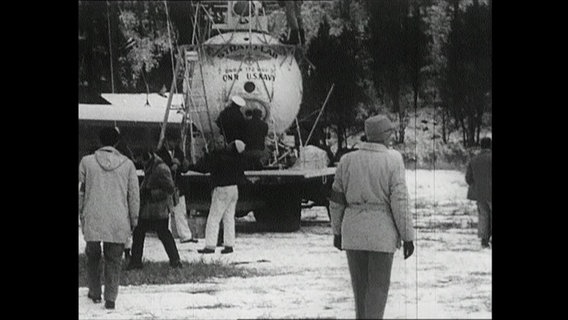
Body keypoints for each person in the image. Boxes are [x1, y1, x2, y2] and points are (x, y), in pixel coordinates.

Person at [329, 114, 415, 319]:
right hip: (381, 234)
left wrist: (337, 230)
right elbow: (399, 201)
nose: (391, 138)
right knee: (377, 290)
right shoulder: (393, 160)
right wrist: (407, 236)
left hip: (353, 231)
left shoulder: (347, 160)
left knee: (359, 290)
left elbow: (336, 201)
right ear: (383, 135)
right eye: (389, 133)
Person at [79, 127, 140, 310]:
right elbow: (133, 195)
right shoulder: (128, 164)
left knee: (93, 256)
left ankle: (95, 292)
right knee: (114, 259)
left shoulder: (86, 162)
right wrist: (134, 219)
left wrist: (81, 212)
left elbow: (80, 192)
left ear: (99, 141)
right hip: (118, 218)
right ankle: (111, 297)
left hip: (93, 217)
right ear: (116, 142)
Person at [188, 136, 247, 254]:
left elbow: (204, 168)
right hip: (234, 189)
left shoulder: (218, 156)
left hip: (222, 188)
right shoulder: (237, 158)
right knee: (229, 218)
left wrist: (190, 166)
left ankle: (210, 245)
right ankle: (229, 245)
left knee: (214, 217)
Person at [126, 150, 183, 270]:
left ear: (147, 156)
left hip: (158, 210)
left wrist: (151, 194)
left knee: (163, 234)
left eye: (140, 159)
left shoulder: (161, 168)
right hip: (149, 209)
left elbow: (170, 189)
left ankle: (175, 261)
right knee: (140, 233)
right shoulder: (151, 165)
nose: (140, 162)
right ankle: (136, 261)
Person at [156, 128, 197, 243]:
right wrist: (170, 166)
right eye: (173, 141)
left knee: (181, 211)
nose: (175, 144)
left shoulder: (179, 152)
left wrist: (183, 165)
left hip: (177, 185)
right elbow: (158, 169)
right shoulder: (159, 154)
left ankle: (185, 235)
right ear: (167, 141)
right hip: (165, 186)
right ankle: (165, 235)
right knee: (166, 213)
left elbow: (183, 169)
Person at [466, 137, 492, 248]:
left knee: (483, 215)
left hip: (480, 193)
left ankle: (484, 240)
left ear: (481, 146)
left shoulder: (474, 160)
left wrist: (477, 185)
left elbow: (468, 178)